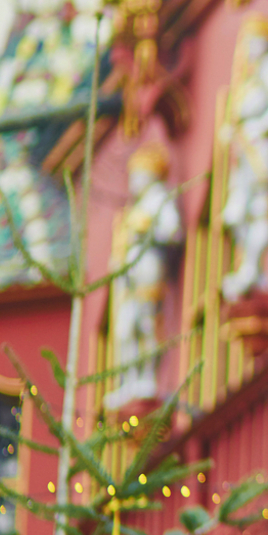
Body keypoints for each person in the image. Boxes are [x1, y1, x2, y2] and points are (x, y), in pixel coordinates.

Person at [220, 16, 268, 300]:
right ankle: (247, 266)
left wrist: (257, 128)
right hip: (244, 150)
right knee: (235, 213)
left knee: (260, 207)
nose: (248, 48)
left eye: (253, 42)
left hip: (259, 149)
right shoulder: (251, 76)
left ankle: (253, 268)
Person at [105, 143, 183, 409]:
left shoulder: (159, 199)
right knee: (125, 328)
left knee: (147, 323)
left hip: (149, 269)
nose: (133, 181)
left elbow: (173, 232)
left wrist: (147, 231)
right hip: (128, 274)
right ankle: (129, 380)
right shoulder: (134, 208)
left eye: (138, 175)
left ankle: (148, 377)